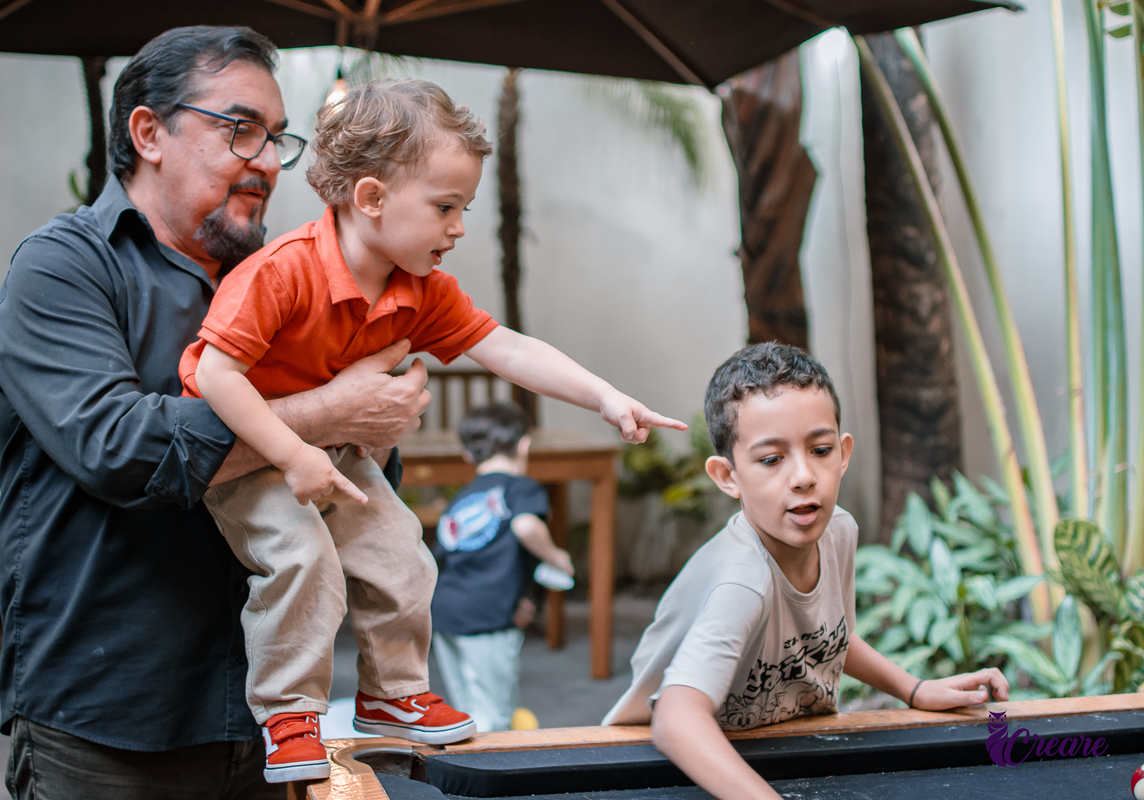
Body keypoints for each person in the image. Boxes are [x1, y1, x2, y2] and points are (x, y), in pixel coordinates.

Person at [179, 78, 685, 782]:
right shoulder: (283, 271)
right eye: (446, 207)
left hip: (330, 452)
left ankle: (391, 695)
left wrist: (605, 395)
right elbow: (215, 375)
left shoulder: (416, 287)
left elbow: (506, 347)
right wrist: (292, 453)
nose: (459, 227)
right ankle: (289, 713)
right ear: (371, 198)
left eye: (464, 208)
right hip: (254, 450)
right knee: (303, 558)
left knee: (403, 554)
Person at [0, 27, 433, 799]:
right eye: (240, 129)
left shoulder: (285, 279)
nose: (267, 161)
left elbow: (352, 477)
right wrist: (329, 411)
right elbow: (123, 449)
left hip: (269, 723)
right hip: (110, 721)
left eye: (276, 137)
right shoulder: (62, 267)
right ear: (148, 132)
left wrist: (374, 423)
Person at [602, 342, 1009, 800]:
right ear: (728, 476)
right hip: (674, 772)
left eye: (820, 449)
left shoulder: (838, 532)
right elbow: (676, 722)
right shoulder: (742, 584)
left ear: (843, 452)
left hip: (780, 751)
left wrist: (914, 689)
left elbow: (829, 637)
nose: (803, 476)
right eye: (771, 459)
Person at [429, 402, 573, 733]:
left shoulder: (460, 499)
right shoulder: (521, 487)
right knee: (494, 715)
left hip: (445, 610)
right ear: (524, 446)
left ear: (467, 454)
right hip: (487, 615)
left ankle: (466, 755)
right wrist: (556, 556)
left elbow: (450, 554)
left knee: (465, 708)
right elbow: (525, 526)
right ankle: (495, 759)